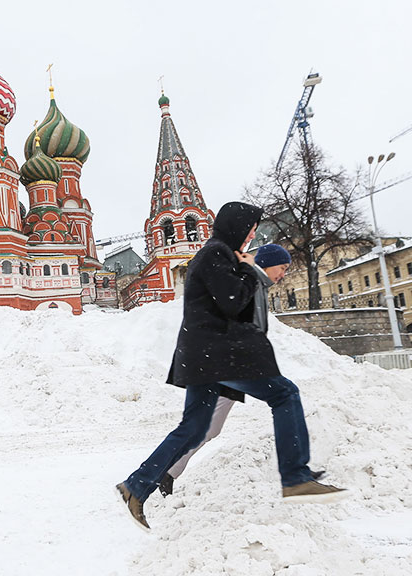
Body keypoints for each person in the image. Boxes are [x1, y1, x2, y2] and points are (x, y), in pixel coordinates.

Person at [116, 202, 346, 531]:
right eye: (250, 228)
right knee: (285, 394)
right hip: (217, 354)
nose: (253, 234)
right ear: (236, 226)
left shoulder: (221, 256)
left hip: (205, 356)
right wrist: (254, 272)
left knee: (195, 428)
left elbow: (230, 300)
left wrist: (246, 272)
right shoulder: (215, 254)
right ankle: (296, 478)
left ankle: (136, 487)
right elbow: (234, 303)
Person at [156, 243, 324, 497]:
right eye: (283, 267)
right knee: (285, 395)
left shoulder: (257, 284)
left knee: (209, 428)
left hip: (231, 365)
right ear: (267, 262)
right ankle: (296, 473)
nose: (284, 274)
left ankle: (165, 473)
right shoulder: (248, 282)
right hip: (229, 364)